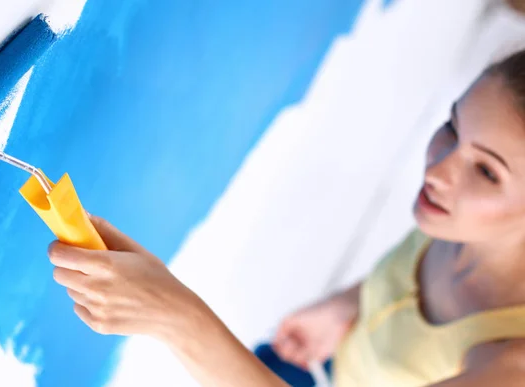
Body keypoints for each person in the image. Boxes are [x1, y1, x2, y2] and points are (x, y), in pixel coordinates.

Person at [48, 49, 525, 386]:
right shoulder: (455, 218)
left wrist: (176, 317)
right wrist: (346, 306)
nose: (438, 169)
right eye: (452, 127)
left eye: (486, 171)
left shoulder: (511, 364)